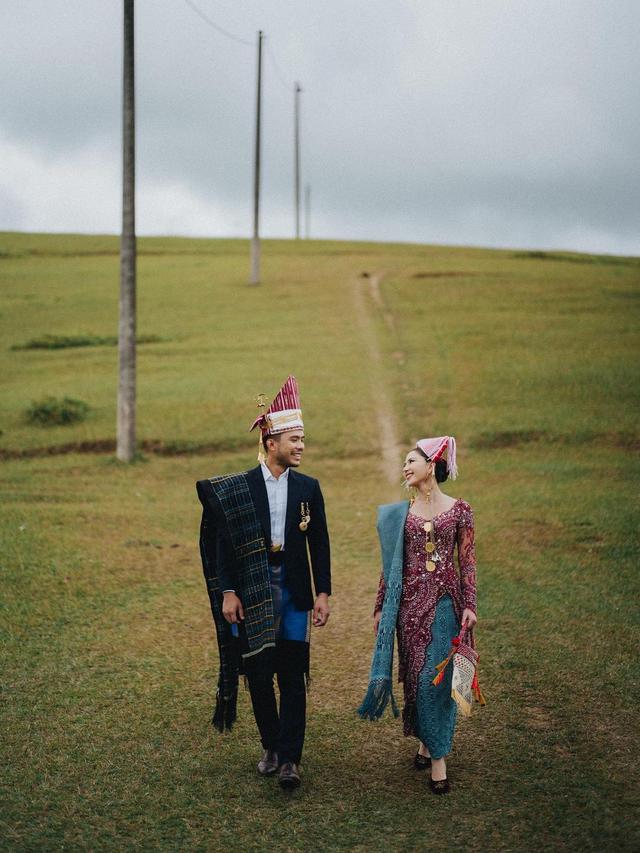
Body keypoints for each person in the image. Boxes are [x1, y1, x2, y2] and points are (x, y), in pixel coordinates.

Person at [196, 376, 331, 790]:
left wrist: (322, 592)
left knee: (292, 673)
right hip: (252, 587)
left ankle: (290, 758)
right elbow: (224, 541)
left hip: (293, 590)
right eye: (294, 439)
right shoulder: (241, 488)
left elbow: (320, 543)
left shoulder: (308, 488)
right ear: (271, 442)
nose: (301, 446)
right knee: (257, 671)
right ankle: (271, 745)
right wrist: (229, 592)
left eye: (303, 439)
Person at [358, 436, 477, 794]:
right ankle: (425, 743)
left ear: (432, 463)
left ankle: (438, 761)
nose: (406, 467)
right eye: (405, 463)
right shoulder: (400, 515)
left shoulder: (460, 510)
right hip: (408, 609)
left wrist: (470, 604)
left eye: (412, 461)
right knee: (413, 679)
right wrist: (381, 607)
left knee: (434, 680)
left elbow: (467, 562)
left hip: (445, 606)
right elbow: (390, 568)